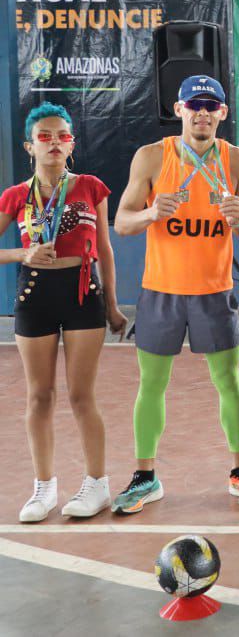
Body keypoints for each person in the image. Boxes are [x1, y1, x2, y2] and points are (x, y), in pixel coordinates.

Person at [111, 75, 239, 515]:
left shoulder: (236, 161)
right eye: (193, 104)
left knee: (229, 382)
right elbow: (121, 222)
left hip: (214, 291)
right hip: (162, 291)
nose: (202, 112)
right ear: (178, 110)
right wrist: (152, 212)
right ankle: (145, 476)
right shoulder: (153, 157)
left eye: (210, 105)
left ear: (222, 113)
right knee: (151, 386)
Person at [1, 103, 126, 521]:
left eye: (62, 136)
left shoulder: (91, 186)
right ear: (29, 146)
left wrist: (112, 303)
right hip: (35, 293)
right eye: (44, 136)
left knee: (80, 394)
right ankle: (44, 487)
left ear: (71, 144)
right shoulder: (17, 195)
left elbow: (105, 249)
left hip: (82, 294)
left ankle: (97, 484)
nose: (54, 143)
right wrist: (24, 253)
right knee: (39, 396)